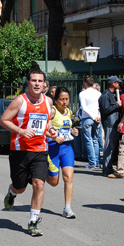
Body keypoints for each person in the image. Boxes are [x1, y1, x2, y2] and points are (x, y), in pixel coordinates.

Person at [0, 68, 57, 237]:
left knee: (39, 183)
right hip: (20, 150)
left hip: (40, 149)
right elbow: (4, 120)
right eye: (34, 81)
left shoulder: (48, 101)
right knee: (20, 188)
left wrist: (51, 130)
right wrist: (21, 131)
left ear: (44, 84)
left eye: (40, 81)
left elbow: (47, 122)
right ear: (28, 83)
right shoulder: (20, 101)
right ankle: (12, 192)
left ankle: (33, 222)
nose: (37, 84)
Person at [46, 87, 79, 219]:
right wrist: (53, 136)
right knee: (54, 182)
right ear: (56, 100)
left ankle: (67, 208)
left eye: (67, 99)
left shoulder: (69, 112)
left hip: (66, 149)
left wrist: (73, 131)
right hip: (53, 148)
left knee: (68, 178)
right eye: (61, 99)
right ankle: (38, 175)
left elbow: (68, 128)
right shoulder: (52, 112)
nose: (64, 102)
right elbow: (44, 129)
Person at [98, 76, 123, 177]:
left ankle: (109, 166)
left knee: (112, 146)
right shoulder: (105, 95)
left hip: (114, 123)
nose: (118, 84)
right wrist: (117, 105)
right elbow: (105, 110)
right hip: (109, 124)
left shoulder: (111, 95)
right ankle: (106, 168)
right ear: (112, 83)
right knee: (109, 146)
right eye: (117, 82)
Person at [78, 77, 102, 169]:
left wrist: (92, 117)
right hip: (97, 117)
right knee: (95, 139)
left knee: (88, 140)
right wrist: (98, 117)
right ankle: (97, 161)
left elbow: (84, 108)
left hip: (87, 117)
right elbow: (100, 107)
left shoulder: (82, 94)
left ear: (85, 84)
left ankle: (92, 162)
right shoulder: (98, 93)